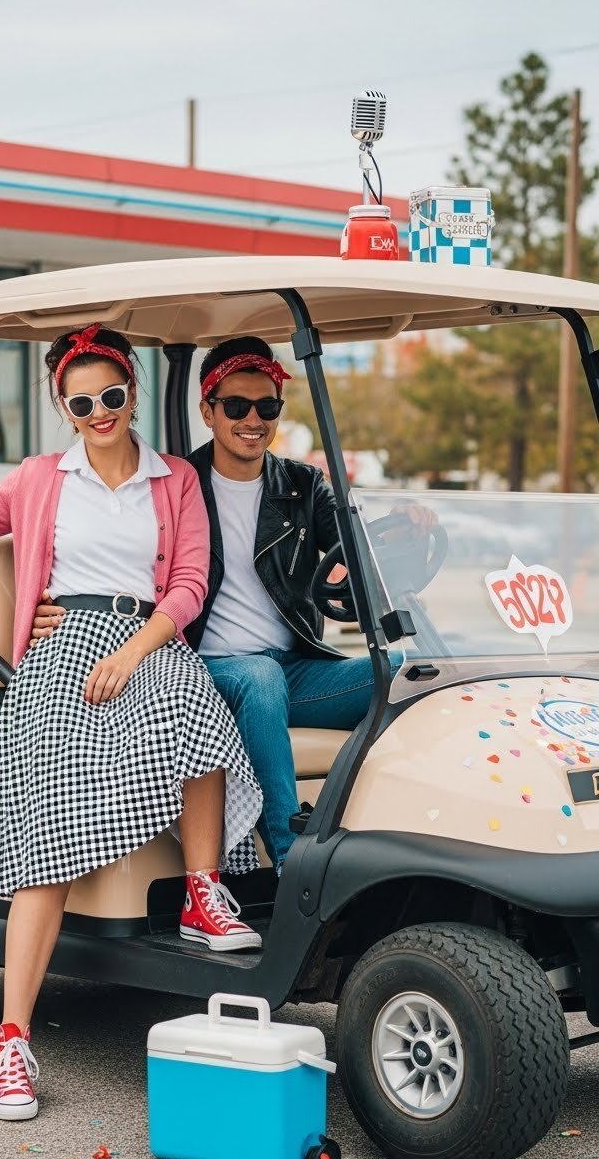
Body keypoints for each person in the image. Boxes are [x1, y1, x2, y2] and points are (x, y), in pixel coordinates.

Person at [0, 324, 263, 1123]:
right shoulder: (39, 478)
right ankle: (12, 1039)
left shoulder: (173, 480)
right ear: (64, 407)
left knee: (197, 702)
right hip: (62, 648)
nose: (99, 413)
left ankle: (202, 892)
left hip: (148, 639)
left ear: (132, 392)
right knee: (50, 820)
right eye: (81, 403)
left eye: (111, 396)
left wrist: (136, 648)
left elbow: (189, 582)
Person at [33, 335, 432, 872]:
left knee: (413, 671)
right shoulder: (177, 484)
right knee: (258, 679)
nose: (253, 420)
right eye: (237, 406)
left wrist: (404, 532)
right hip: (199, 672)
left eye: (266, 407)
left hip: (291, 672)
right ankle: (293, 864)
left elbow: (355, 550)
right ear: (208, 411)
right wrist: (51, 605)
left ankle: (409, 847)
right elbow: (108, 556)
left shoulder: (301, 484)